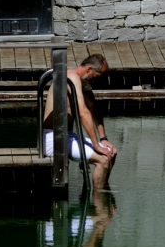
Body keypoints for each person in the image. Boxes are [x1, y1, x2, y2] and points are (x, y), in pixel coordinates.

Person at [43, 54, 117, 189]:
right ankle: (99, 198)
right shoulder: (71, 77)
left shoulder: (82, 81)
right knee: (103, 159)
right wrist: (96, 145)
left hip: (68, 135)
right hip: (53, 139)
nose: (97, 81)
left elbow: (93, 108)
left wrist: (103, 139)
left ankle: (102, 187)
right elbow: (83, 113)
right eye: (97, 76)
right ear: (89, 69)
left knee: (112, 152)